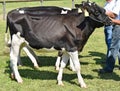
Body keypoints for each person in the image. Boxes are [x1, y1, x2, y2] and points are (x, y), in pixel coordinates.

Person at [99, 0, 120, 73]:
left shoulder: (118, 2)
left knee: (113, 46)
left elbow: (114, 15)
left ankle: (109, 68)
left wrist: (100, 11)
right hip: (115, 24)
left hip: (117, 25)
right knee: (117, 46)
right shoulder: (109, 3)